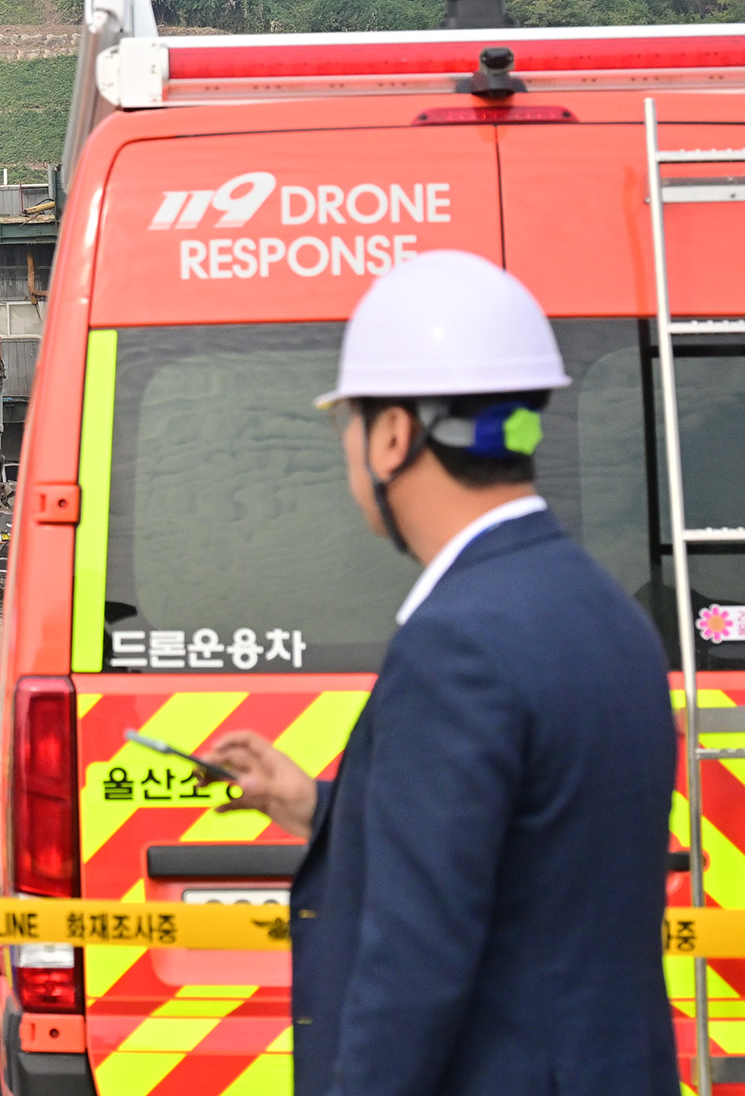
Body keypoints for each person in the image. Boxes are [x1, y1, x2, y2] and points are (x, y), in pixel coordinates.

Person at [205, 251, 672, 1096]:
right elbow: (532, 842)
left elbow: (412, 971)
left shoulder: (457, 642)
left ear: (391, 435)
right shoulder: (609, 614)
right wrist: (320, 807)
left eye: (345, 423)